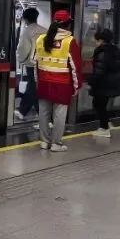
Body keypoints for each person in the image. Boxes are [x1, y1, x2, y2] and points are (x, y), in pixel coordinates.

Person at [33, 10, 83, 151]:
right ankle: (56, 143)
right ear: (68, 24)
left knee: (43, 113)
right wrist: (76, 86)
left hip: (44, 82)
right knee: (59, 115)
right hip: (62, 85)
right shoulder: (70, 41)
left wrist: (37, 82)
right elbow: (76, 67)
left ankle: (44, 142)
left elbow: (35, 63)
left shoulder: (41, 39)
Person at [88, 28, 120, 138]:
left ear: (101, 40)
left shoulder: (102, 52)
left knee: (98, 105)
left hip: (103, 84)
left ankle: (104, 129)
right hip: (111, 83)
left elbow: (99, 70)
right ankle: (107, 123)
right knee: (102, 105)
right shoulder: (114, 49)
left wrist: (91, 82)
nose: (95, 41)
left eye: (97, 40)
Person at [15, 7, 46, 121]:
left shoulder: (27, 31)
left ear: (25, 19)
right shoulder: (45, 30)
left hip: (31, 64)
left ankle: (23, 111)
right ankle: (40, 113)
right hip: (44, 64)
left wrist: (21, 60)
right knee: (37, 87)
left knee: (32, 87)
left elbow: (23, 49)